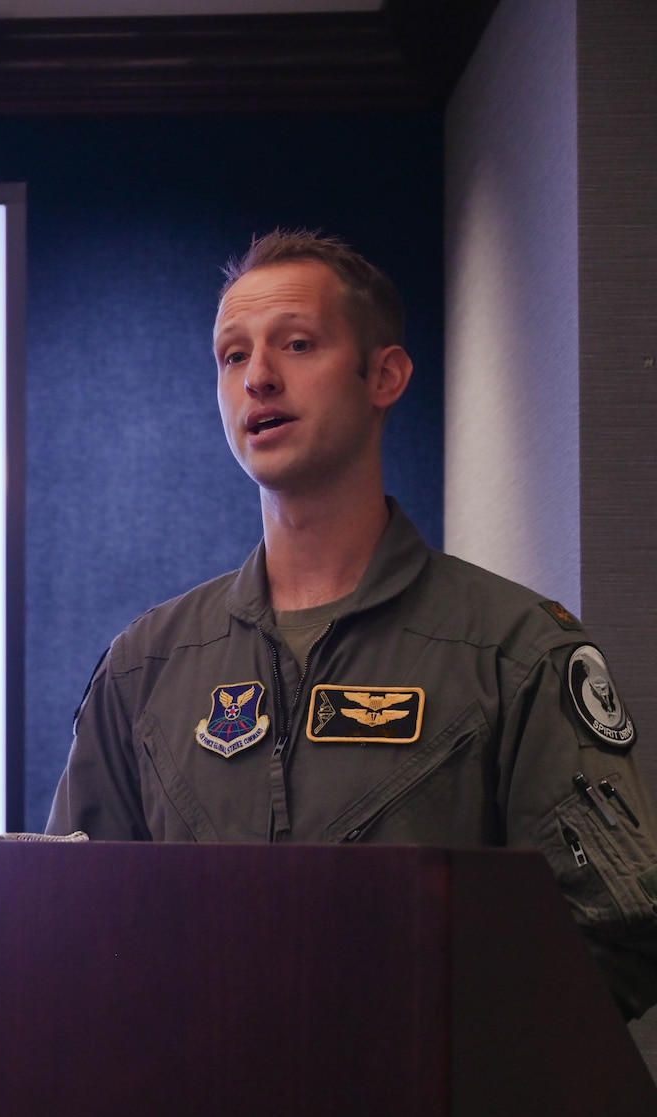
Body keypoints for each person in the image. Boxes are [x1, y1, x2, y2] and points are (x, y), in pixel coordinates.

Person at [44, 228, 657, 1018]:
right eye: (233, 356)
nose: (259, 377)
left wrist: (398, 1035)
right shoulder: (147, 665)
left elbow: (615, 931)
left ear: (386, 375)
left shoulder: (515, 650)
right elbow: (68, 929)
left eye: (297, 344)